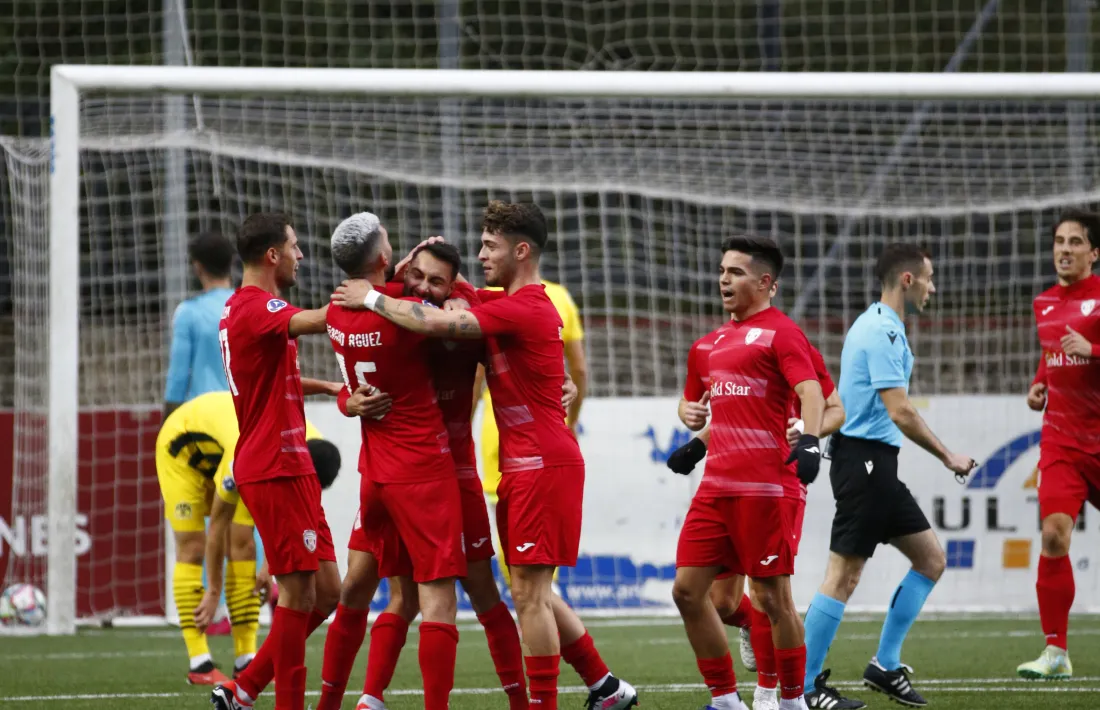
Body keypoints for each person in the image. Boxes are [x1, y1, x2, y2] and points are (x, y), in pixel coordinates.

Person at [332, 201, 638, 710]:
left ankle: (537, 703)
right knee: (488, 591)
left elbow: (439, 323)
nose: (480, 255)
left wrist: (373, 298)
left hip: (527, 466)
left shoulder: (519, 306)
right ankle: (604, 686)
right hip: (473, 469)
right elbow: (362, 365)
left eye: (490, 246)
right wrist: (344, 398)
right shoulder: (487, 301)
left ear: (521, 250)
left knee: (510, 594)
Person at [317, 224, 532, 710]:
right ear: (398, 265)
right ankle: (369, 697)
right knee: (392, 590)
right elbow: (372, 352)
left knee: (478, 589)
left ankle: (523, 700)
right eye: (417, 275)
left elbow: (501, 336)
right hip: (417, 470)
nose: (424, 288)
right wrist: (349, 403)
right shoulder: (395, 305)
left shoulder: (441, 307)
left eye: (437, 282)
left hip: (449, 471)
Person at [801, 243, 975, 709]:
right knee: (843, 575)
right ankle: (806, 687)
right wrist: (947, 455)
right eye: (929, 277)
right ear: (907, 280)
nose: (932, 286)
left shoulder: (881, 325)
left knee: (931, 559)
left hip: (878, 466)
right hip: (865, 464)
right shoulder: (882, 332)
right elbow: (899, 410)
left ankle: (884, 665)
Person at [670, 236, 824, 710]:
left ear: (765, 283)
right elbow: (701, 404)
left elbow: (814, 394)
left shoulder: (783, 334)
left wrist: (813, 441)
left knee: (773, 599)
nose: (723, 279)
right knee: (688, 593)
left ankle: (792, 701)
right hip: (716, 488)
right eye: (722, 270)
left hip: (767, 488)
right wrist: (693, 435)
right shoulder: (711, 345)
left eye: (735, 272)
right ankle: (725, 700)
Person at [211, 212, 343, 710]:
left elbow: (267, 380)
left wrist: (325, 386)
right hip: (274, 464)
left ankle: (242, 690)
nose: (300, 255)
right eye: (294, 246)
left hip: (291, 463)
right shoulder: (255, 306)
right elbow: (314, 321)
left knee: (327, 591)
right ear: (273, 255)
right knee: (298, 596)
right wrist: (371, 294)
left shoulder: (244, 310)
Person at [155, 390, 340, 685]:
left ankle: (245, 659)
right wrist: (213, 590)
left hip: (235, 444)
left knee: (244, 549)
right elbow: (218, 524)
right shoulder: (247, 458)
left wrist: (270, 567)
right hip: (183, 450)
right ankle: (199, 663)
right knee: (198, 547)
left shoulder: (312, 452)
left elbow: (293, 514)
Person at [1016, 209, 1100, 680]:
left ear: (1095, 252)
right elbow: (1051, 357)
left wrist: (1094, 351)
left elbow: (1083, 352)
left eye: (1075, 242)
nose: (1064, 249)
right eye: (1059, 242)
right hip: (1063, 440)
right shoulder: (1044, 302)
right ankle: (1056, 652)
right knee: (1052, 534)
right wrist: (1038, 384)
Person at [478, 279, 587, 587]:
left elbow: (477, 375)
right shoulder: (559, 297)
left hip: (499, 431)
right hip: (544, 430)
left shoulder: (490, 300)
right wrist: (571, 421)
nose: (483, 256)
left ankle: (537, 615)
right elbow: (578, 369)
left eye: (489, 245)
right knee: (533, 569)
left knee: (517, 560)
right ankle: (540, 610)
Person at [163, 231, 236, 421]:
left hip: (204, 416)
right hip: (244, 415)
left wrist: (168, 420)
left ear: (197, 267)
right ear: (230, 264)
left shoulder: (189, 312)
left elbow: (178, 375)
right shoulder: (252, 306)